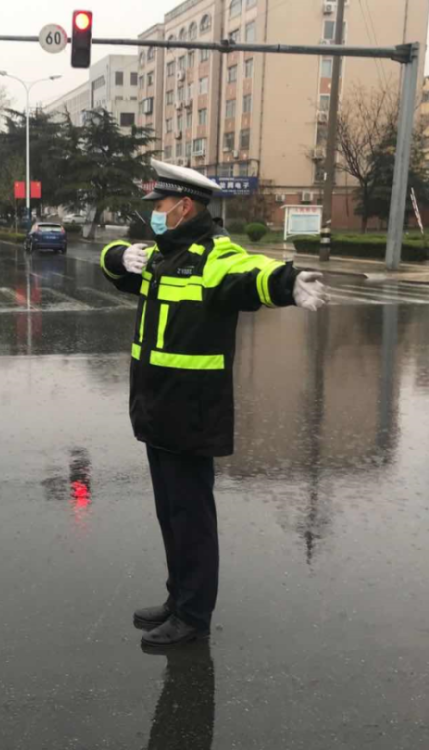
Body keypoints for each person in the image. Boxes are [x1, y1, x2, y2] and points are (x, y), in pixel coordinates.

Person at [100, 160, 327, 648]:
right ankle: (177, 597)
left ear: (184, 206)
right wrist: (122, 258)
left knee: (191, 517)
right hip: (156, 406)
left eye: (159, 207)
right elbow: (115, 263)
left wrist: (288, 283)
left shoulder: (212, 256)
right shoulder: (165, 254)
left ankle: (193, 615)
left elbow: (251, 274)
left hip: (190, 410)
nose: (154, 215)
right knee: (169, 512)